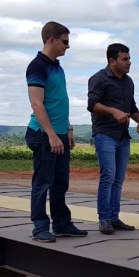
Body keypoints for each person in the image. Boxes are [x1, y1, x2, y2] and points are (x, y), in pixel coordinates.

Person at [24, 21, 88, 243]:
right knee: (43, 182)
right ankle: (40, 226)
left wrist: (68, 129)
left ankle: (61, 224)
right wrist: (51, 135)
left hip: (59, 132)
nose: (67, 47)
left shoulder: (57, 67)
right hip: (43, 134)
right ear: (51, 39)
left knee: (61, 182)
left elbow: (59, 102)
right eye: (65, 42)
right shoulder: (37, 66)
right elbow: (37, 104)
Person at [88, 43, 139, 235]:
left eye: (129, 59)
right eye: (125, 59)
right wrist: (113, 111)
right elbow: (92, 104)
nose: (129, 62)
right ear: (112, 61)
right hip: (105, 134)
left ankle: (114, 217)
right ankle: (104, 219)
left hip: (123, 136)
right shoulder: (99, 79)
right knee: (108, 177)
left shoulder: (128, 82)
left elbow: (132, 106)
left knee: (118, 179)